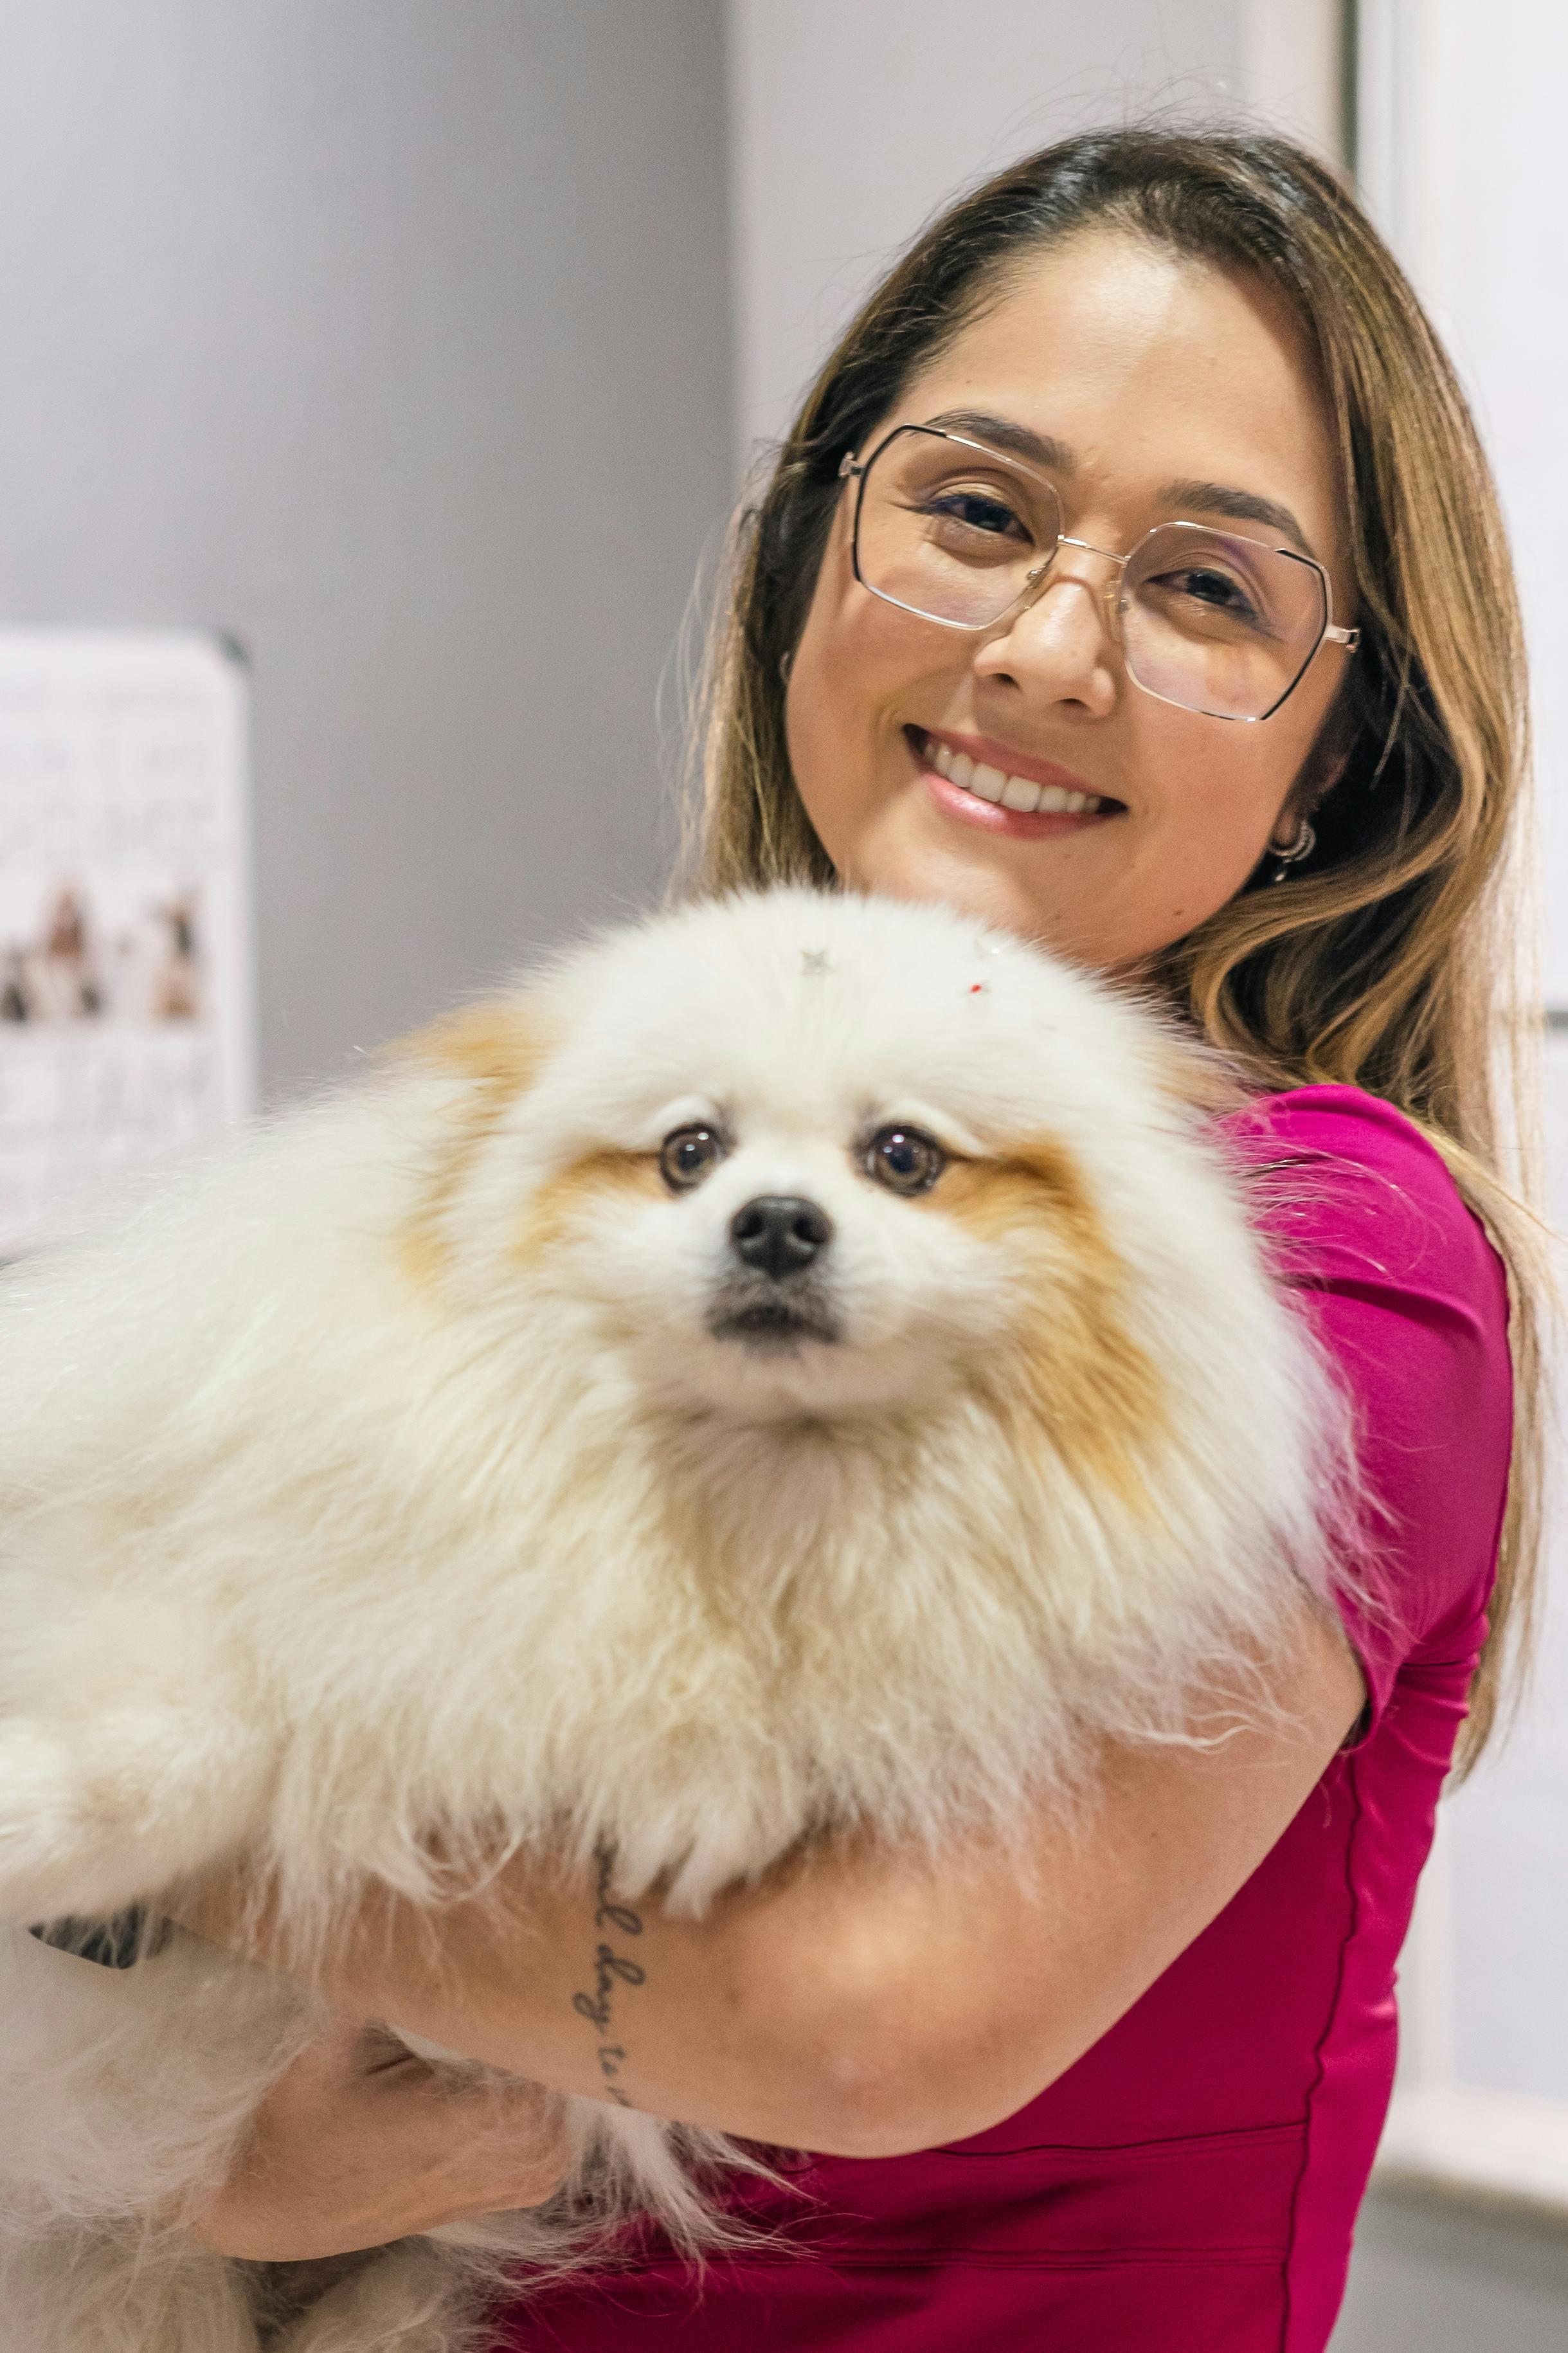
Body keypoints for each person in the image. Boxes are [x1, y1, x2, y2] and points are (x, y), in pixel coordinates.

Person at [170, 128, 1545, 2348]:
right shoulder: (594, 1157)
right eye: (978, 511)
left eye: (1210, 590)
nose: (1050, 646)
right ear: (821, 537)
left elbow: (851, 2024)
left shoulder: (1336, 1261)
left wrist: (160, 1817)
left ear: (1336, 756)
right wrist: (252, 2179)